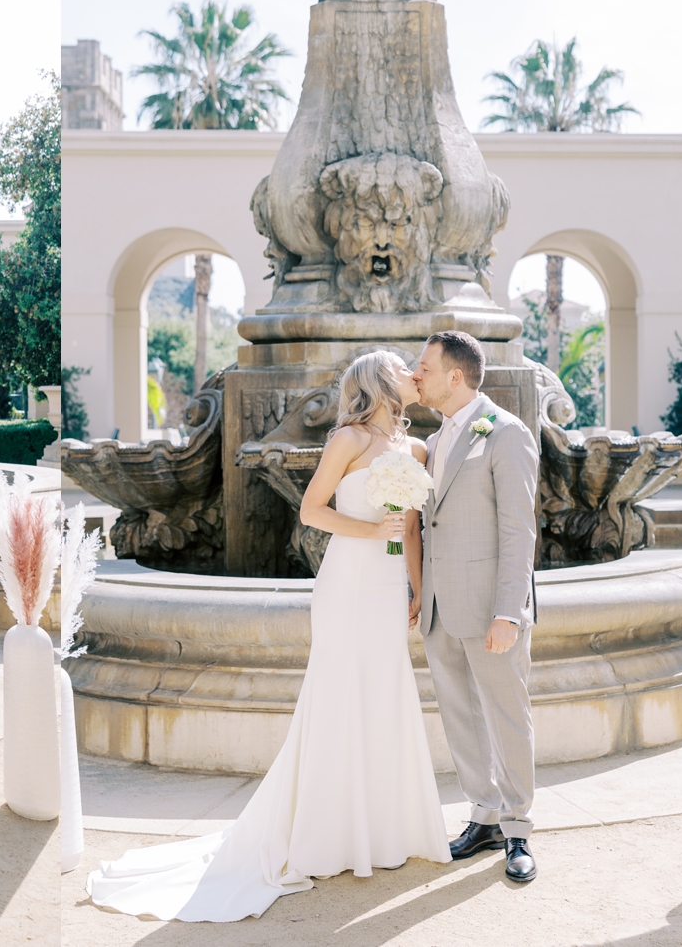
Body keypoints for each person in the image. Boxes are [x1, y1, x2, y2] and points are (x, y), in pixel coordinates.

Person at [85, 350, 450, 922]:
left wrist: (415, 589)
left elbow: (411, 529)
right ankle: (328, 834)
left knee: (386, 694)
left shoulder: (419, 448)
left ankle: (384, 829)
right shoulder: (348, 440)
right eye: (405, 368)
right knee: (337, 697)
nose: (415, 373)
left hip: (385, 591)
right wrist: (366, 528)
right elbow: (310, 511)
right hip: (348, 583)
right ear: (381, 382)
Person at [411, 330, 541, 884]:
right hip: (440, 606)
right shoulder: (436, 438)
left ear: (455, 376)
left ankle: (518, 830)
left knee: (507, 716)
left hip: (492, 607)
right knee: (461, 717)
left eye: (424, 367)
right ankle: (483, 816)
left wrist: (508, 612)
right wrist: (418, 592)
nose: (416, 375)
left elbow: (519, 529)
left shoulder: (506, 434)